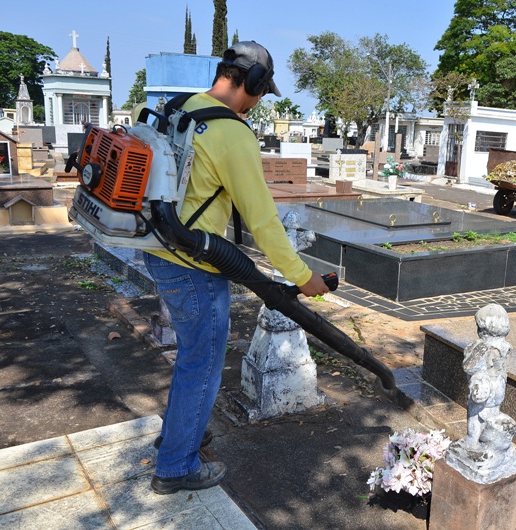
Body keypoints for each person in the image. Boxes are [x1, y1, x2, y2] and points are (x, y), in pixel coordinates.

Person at [144, 41, 329, 495]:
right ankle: (175, 467)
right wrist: (305, 280)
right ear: (252, 83)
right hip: (193, 265)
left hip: (157, 249)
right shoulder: (232, 134)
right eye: (262, 91)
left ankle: (178, 435)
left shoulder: (178, 107)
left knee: (192, 356)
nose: (261, 100)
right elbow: (264, 222)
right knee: (201, 361)